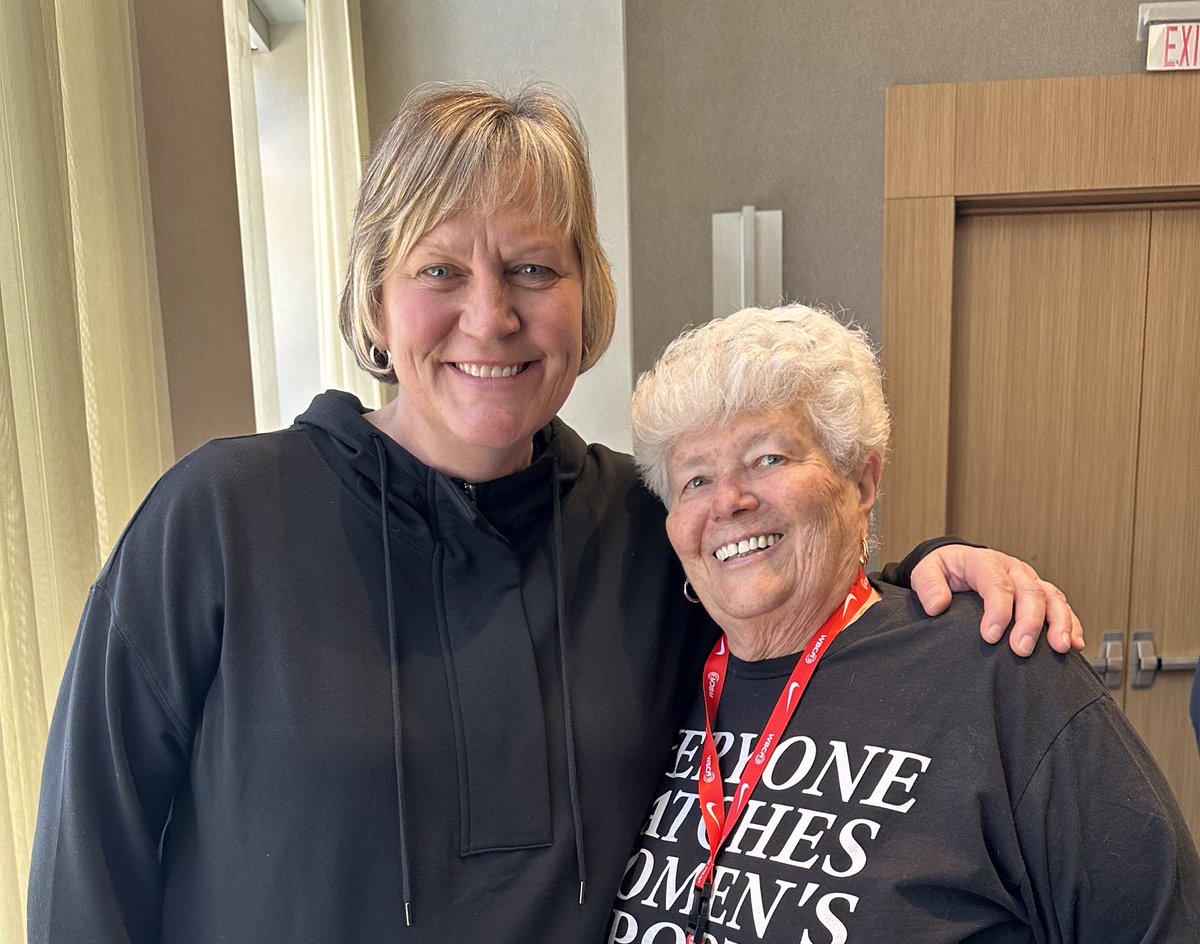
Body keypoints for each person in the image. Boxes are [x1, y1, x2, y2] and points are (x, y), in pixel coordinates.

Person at [27, 85, 1079, 943]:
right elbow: (89, 876)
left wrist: (939, 569)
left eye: (534, 267)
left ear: (586, 299)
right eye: (441, 268)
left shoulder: (639, 523)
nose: (491, 314)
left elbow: (792, 605)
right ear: (375, 303)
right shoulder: (218, 521)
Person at [612, 304, 1200, 943]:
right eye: (695, 479)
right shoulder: (658, 676)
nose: (729, 501)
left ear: (862, 481)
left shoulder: (996, 667)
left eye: (769, 459)